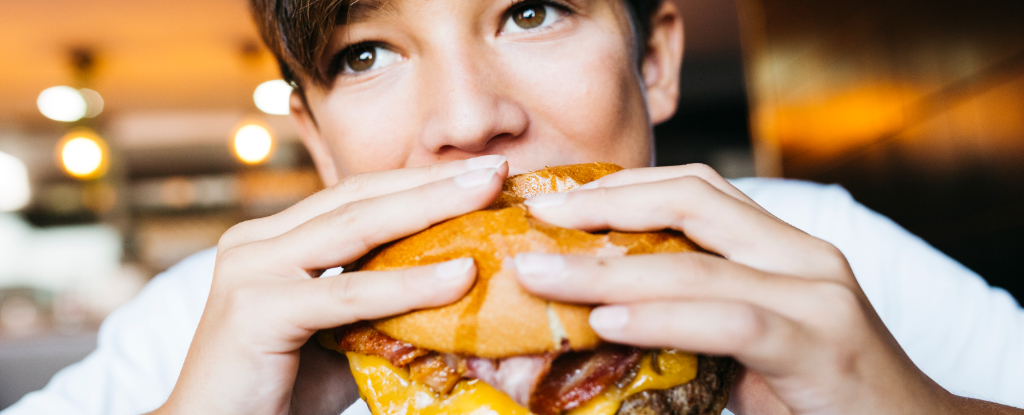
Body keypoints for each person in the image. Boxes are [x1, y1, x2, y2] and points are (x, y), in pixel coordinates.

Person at [5, 0, 1024, 413]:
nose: (466, 120)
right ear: (314, 137)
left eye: (530, 10)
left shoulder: (817, 253)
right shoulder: (200, 327)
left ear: (654, 60)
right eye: (365, 54)